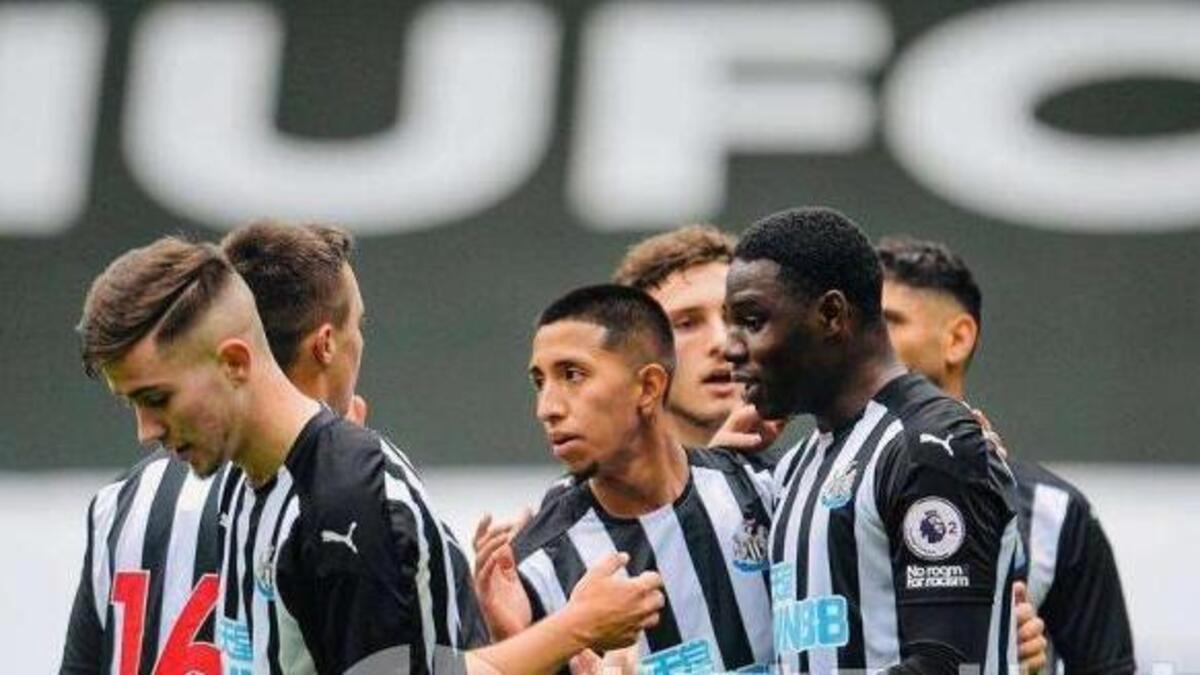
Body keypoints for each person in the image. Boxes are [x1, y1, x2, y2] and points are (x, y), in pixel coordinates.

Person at [74, 237, 663, 674]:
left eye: (157, 399)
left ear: (234, 362)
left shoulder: (349, 498)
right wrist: (568, 630)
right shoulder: (245, 481)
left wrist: (568, 631)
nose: (145, 431)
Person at [59, 221, 370, 674]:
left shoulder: (122, 507)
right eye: (358, 325)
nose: (145, 430)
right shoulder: (352, 501)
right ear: (325, 345)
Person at [724, 207, 1021, 673]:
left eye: (752, 321)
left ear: (831, 314)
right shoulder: (795, 467)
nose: (731, 348)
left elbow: (947, 665)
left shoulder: (929, 445)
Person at [479, 285, 776, 673]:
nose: (546, 408)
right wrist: (507, 639)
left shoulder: (763, 490)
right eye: (540, 382)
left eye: (572, 375)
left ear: (649, 387)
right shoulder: (531, 569)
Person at [877, 236, 1135, 674]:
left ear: (957, 338)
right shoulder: (806, 488)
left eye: (887, 322)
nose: (863, 342)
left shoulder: (1054, 515)